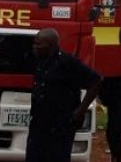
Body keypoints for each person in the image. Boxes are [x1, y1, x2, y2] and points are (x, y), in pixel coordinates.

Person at [26, 28, 101, 162]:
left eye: (39, 45)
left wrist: (80, 111)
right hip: (39, 124)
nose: (35, 47)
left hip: (60, 127)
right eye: (34, 43)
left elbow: (96, 81)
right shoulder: (39, 62)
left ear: (51, 46)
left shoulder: (67, 63)